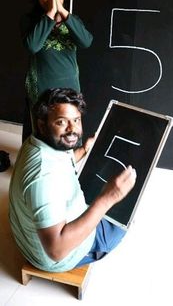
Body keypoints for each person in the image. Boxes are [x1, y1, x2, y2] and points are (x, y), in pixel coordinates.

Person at [9, 88, 136, 272]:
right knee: (123, 219)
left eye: (76, 120)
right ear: (42, 125)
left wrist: (84, 150)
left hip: (27, 240)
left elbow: (61, 163)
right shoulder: (44, 178)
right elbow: (56, 250)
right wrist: (108, 197)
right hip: (52, 257)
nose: (72, 130)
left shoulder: (38, 141)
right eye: (62, 122)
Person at [20, 0, 93, 141]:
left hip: (69, 86)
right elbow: (32, 45)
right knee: (42, 130)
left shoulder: (72, 21)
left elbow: (86, 41)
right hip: (41, 86)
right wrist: (51, 14)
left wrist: (62, 12)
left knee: (69, 130)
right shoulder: (30, 21)